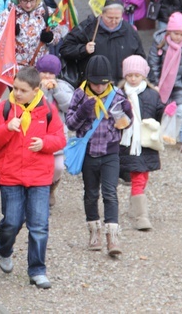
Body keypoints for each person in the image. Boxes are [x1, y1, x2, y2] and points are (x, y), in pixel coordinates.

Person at [0, 66, 65, 289]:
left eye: (22, 90)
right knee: (11, 221)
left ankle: (37, 270)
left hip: (40, 177)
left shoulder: (47, 110)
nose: (17, 93)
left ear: (36, 90)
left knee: (39, 226)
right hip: (11, 176)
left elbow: (60, 139)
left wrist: (45, 144)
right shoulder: (4, 108)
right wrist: (6, 129)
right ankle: (4, 248)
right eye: (15, 89)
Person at [65, 55, 133, 257]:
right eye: (95, 84)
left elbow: (125, 125)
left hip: (111, 151)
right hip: (88, 153)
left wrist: (128, 115)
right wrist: (83, 112)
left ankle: (113, 236)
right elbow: (70, 124)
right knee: (91, 193)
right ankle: (94, 232)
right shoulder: (79, 95)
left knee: (110, 192)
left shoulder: (117, 95)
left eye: (103, 84)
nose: (99, 88)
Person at [0, 0, 55, 124]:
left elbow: (61, 33)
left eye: (31, 1)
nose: (28, 5)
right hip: (16, 72)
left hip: (38, 71)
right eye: (24, 1)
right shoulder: (9, 14)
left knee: (37, 106)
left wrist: (51, 37)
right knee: (19, 106)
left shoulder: (46, 13)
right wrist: (7, 35)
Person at [118, 55, 165, 230]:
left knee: (143, 175)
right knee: (138, 176)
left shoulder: (152, 94)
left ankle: (134, 205)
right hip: (127, 142)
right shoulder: (119, 94)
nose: (132, 78)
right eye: (129, 75)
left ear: (143, 75)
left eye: (136, 75)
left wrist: (167, 110)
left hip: (146, 141)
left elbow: (159, 114)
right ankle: (141, 216)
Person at [59, 0, 147, 85]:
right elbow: (65, 49)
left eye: (117, 18)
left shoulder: (130, 31)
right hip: (93, 86)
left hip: (122, 86)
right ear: (101, 14)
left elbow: (140, 59)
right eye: (110, 18)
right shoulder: (87, 28)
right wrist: (83, 49)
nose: (113, 21)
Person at [147, 12, 182, 153]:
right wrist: (155, 82)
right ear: (169, 31)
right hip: (160, 85)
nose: (178, 37)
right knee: (156, 110)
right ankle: (155, 136)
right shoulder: (159, 45)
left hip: (178, 86)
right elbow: (153, 64)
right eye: (176, 33)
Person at [35, 54, 74, 207]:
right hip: (38, 133)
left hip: (57, 134)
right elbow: (37, 107)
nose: (47, 76)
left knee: (58, 167)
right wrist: (43, 92)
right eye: (44, 72)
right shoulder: (33, 86)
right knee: (39, 166)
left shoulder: (63, 87)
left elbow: (70, 107)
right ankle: (41, 195)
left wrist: (57, 91)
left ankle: (52, 187)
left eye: (51, 73)